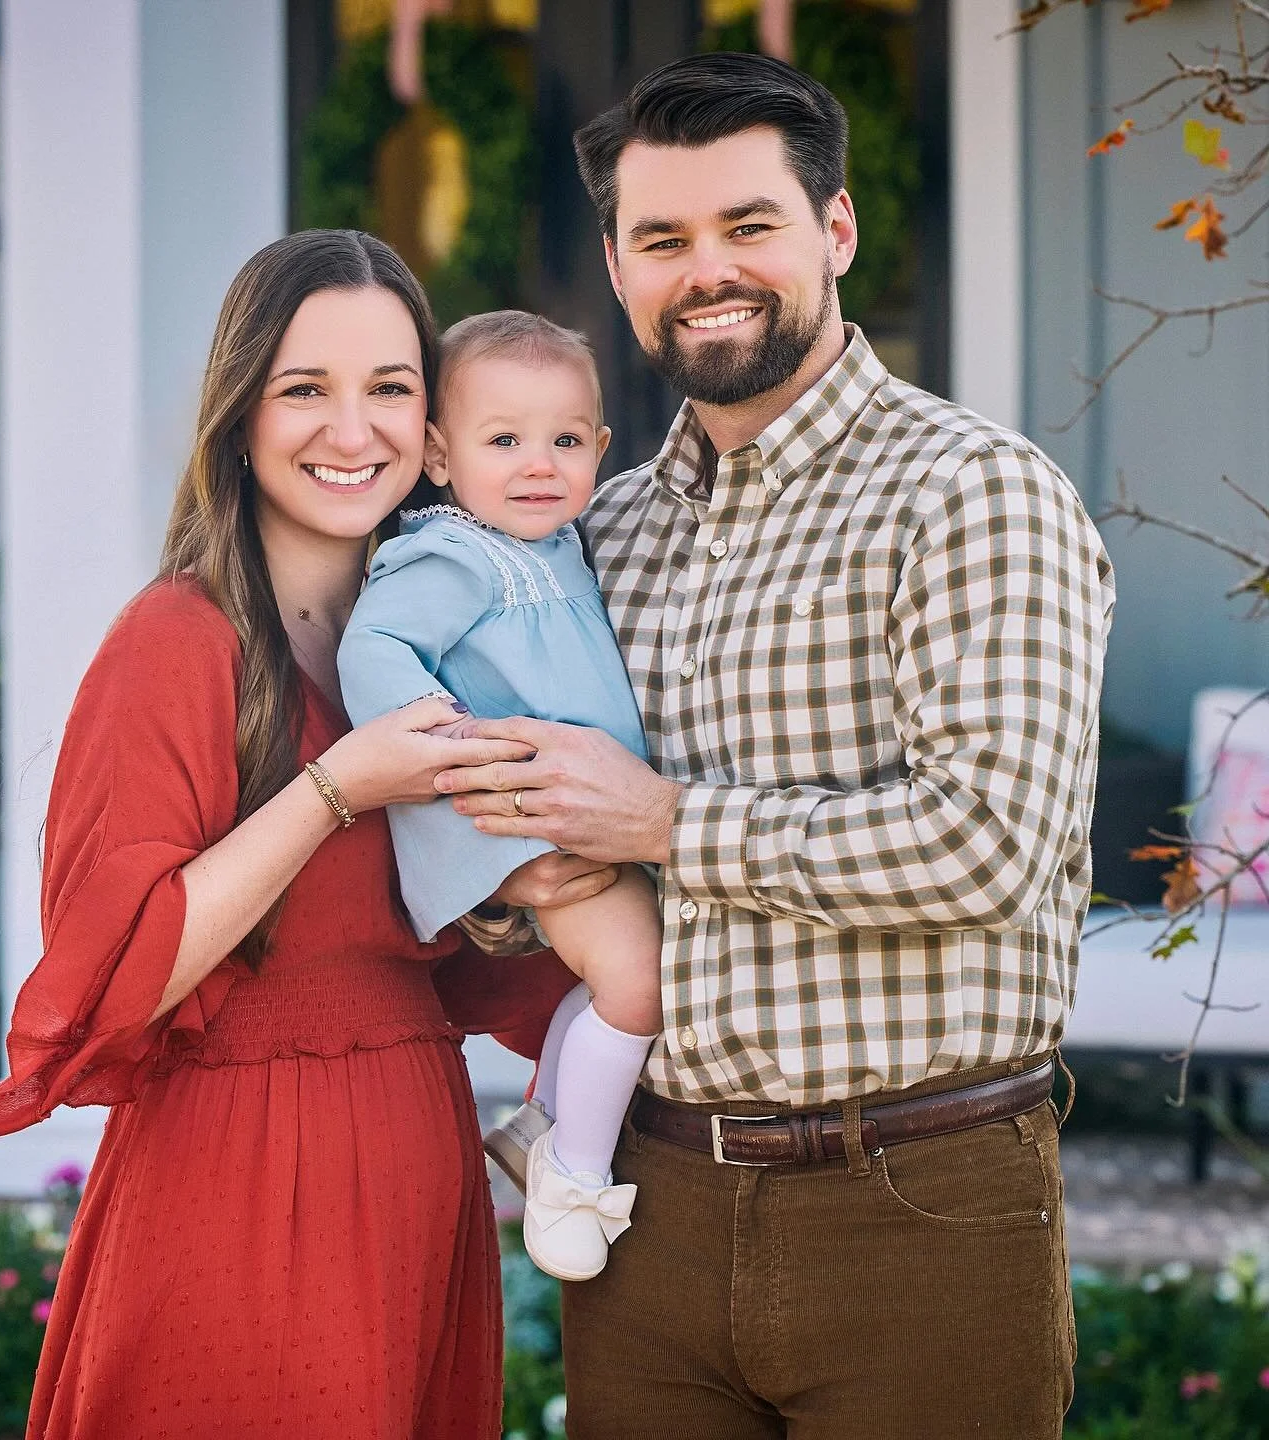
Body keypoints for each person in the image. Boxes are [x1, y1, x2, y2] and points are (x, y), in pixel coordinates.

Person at [435, 52, 1116, 1440]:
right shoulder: (593, 535)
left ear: (836, 229)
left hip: (919, 1198)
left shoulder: (974, 494)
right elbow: (530, 814)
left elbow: (986, 847)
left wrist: (664, 823)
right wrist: (515, 882)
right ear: (618, 268)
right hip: (649, 1210)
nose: (708, 271)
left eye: (749, 224)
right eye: (662, 239)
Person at [0, 229, 591, 1439]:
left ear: (433, 425)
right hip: (235, 1177)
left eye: (388, 388)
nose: (352, 431)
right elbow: (122, 976)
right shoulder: (175, 641)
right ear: (241, 415)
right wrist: (336, 788)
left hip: (414, 1165)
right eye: (305, 389)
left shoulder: (459, 644)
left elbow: (478, 954)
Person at [338, 310, 662, 1284]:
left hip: (586, 814)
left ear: (600, 448)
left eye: (565, 440)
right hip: (528, 817)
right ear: (440, 455)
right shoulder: (453, 556)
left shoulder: (562, 546)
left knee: (603, 984)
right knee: (641, 985)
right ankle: (575, 1175)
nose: (538, 465)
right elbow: (374, 648)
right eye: (504, 440)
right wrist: (454, 747)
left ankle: (540, 1127)